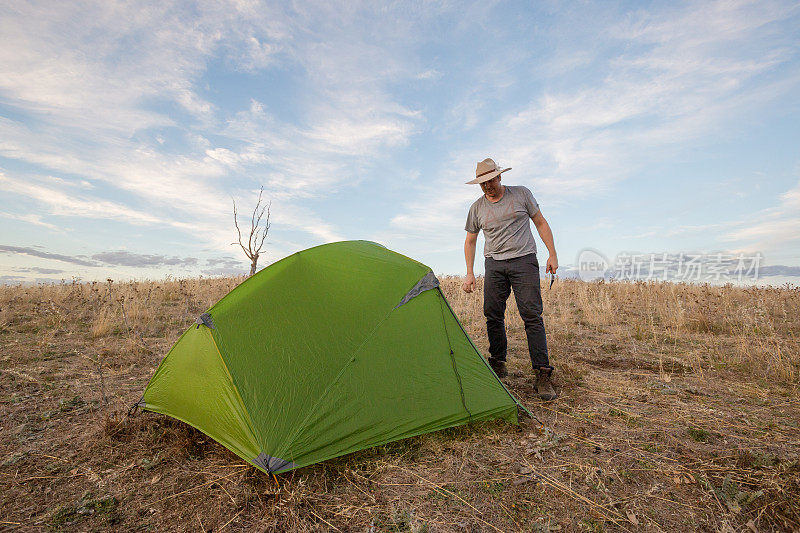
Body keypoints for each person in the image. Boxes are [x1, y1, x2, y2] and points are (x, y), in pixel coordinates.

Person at [462, 158, 558, 401]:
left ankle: (542, 373)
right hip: (494, 264)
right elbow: (471, 240)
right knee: (492, 313)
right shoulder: (476, 208)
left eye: (490, 181)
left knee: (531, 315)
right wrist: (470, 272)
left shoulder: (521, 194)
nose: (487, 187)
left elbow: (540, 223)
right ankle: (497, 362)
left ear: (499, 177)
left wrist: (552, 254)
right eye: (482, 184)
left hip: (523, 260)